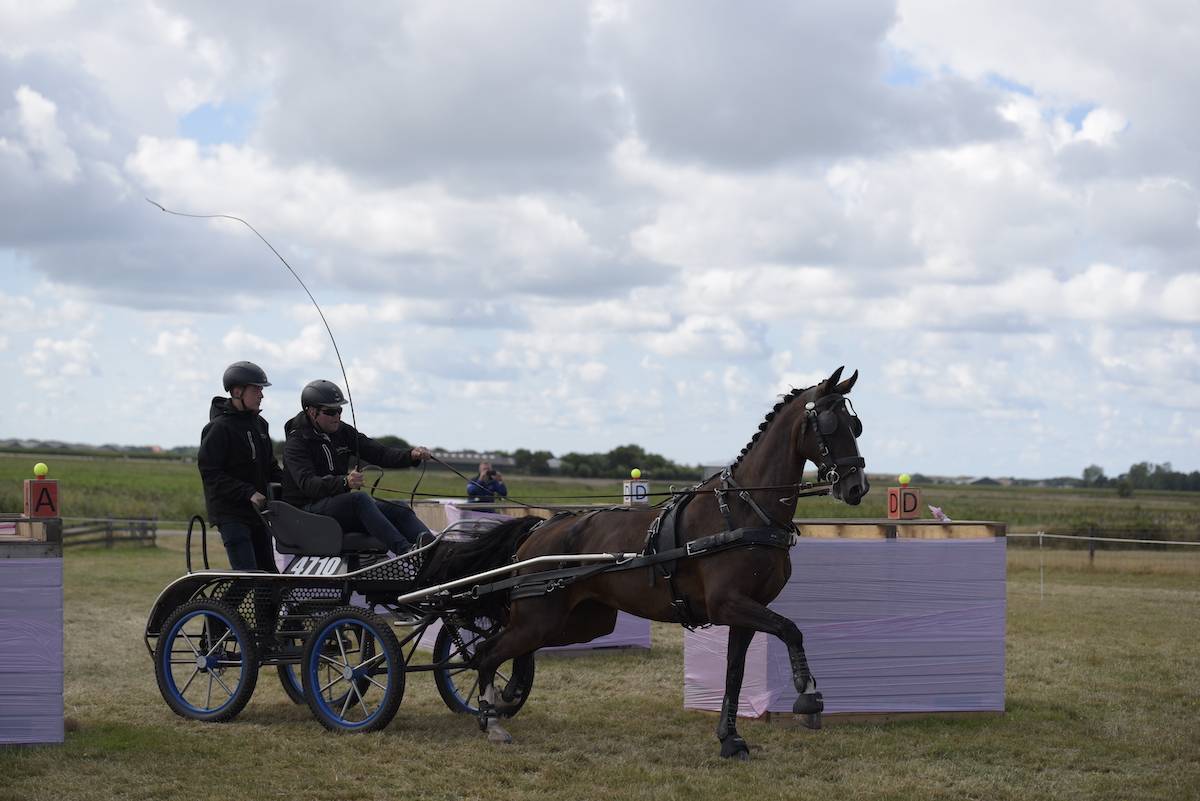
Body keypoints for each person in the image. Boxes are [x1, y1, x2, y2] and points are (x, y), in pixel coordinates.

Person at [281, 379, 432, 555]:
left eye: (339, 410)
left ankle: (433, 551)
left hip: (335, 507)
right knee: (359, 499)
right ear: (312, 412)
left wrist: (410, 455)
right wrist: (344, 482)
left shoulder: (342, 431)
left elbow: (378, 453)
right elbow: (308, 485)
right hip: (306, 513)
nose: (337, 416)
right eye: (330, 412)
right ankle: (407, 552)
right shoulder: (296, 442)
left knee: (399, 508)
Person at [198, 361, 283, 572]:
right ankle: (227, 597)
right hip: (231, 515)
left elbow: (270, 467)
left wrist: (295, 486)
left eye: (262, 390)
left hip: (258, 514)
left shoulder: (260, 425)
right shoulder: (218, 428)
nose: (261, 395)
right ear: (237, 391)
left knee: (269, 575)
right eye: (256, 390)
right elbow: (210, 474)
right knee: (248, 575)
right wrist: (248, 492)